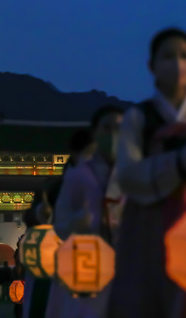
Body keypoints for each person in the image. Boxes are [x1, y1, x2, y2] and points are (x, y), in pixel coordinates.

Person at [108, 28, 186, 318]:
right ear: (152, 66)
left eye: (184, 56)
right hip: (151, 219)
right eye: (168, 56)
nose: (177, 63)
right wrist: (177, 165)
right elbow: (127, 172)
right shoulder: (138, 117)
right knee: (149, 295)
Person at [45, 105, 124, 318]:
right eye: (107, 128)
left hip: (124, 263)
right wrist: (78, 223)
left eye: (120, 128)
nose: (114, 134)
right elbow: (60, 221)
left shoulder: (132, 174)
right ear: (96, 133)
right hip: (86, 263)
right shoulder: (78, 175)